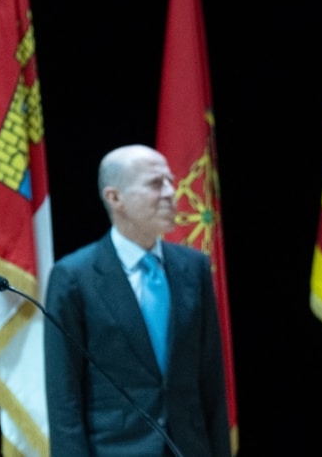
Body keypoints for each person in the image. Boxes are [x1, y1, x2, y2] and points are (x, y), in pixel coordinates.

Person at [44, 144, 230, 457]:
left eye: (171, 181)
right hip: (115, 449)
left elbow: (211, 382)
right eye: (156, 184)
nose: (172, 192)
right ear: (114, 198)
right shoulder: (74, 277)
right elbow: (64, 397)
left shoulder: (194, 268)